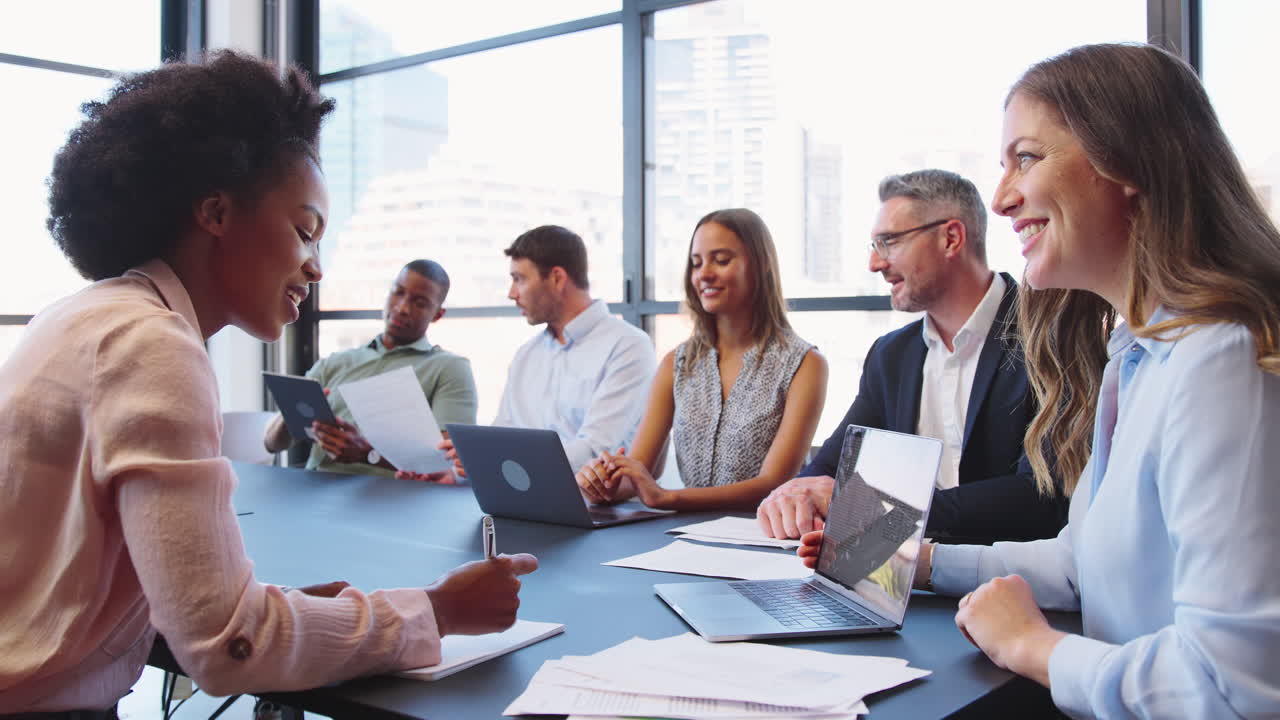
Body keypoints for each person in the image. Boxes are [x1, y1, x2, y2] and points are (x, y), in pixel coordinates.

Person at [0, 51, 536, 717]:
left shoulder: (82, 316)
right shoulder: (153, 344)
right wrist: (436, 610)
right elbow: (230, 645)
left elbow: (98, 580)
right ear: (217, 213)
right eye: (306, 231)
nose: (316, 269)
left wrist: (275, 607)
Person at [801, 43, 1280, 717]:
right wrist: (916, 559)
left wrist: (1034, 648)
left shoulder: (1220, 359)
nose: (1000, 198)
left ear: (1129, 161)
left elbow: (1233, 687)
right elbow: (1084, 566)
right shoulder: (1139, 356)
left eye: (1026, 157)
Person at [759, 170, 1066, 544]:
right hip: (901, 583)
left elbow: (1043, 495)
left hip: (1010, 582)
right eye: (874, 245)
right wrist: (791, 495)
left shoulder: (1051, 337)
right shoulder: (891, 356)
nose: (875, 263)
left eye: (888, 242)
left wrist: (886, 510)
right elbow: (830, 467)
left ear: (951, 238)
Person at [575, 208, 828, 511]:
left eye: (721, 260)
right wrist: (604, 484)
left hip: (764, 537)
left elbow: (772, 483)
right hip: (684, 535)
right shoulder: (677, 363)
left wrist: (669, 497)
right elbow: (638, 472)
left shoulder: (805, 364)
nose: (704, 273)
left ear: (762, 265)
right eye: (697, 263)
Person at [434, 225, 657, 478]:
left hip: (600, 507)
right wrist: (458, 470)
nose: (511, 293)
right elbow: (502, 438)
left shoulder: (627, 346)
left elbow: (597, 452)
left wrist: (494, 460)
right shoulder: (526, 356)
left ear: (557, 278)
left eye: (520, 279)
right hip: (523, 498)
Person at [263, 259, 477, 480]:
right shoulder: (335, 363)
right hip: (314, 488)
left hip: (391, 499)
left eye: (419, 303)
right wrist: (294, 413)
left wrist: (367, 454)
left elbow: (447, 467)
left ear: (437, 314)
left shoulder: (449, 368)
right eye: (398, 293)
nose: (402, 308)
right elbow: (271, 443)